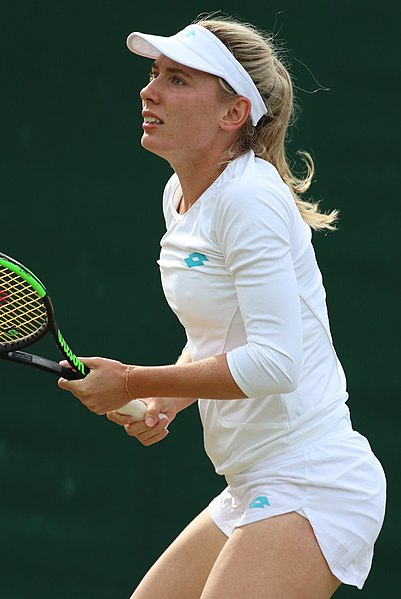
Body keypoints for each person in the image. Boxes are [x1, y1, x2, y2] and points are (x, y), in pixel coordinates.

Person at [58, 14, 386, 598]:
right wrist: (167, 398)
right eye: (155, 73)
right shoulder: (181, 196)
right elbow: (221, 336)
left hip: (312, 480)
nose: (149, 89)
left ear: (233, 114)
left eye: (178, 79)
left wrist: (132, 381)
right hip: (249, 484)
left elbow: (274, 362)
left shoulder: (250, 198)